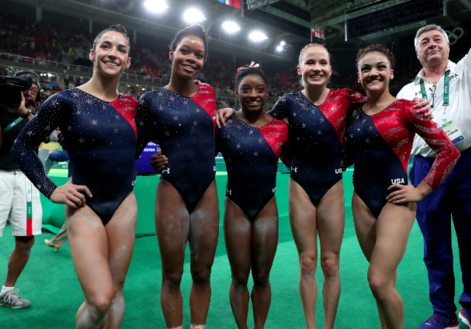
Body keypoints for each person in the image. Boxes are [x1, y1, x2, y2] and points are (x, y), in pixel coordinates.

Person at [217, 43, 431, 328]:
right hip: (300, 187)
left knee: (330, 263)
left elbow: (379, 100)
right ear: (300, 69)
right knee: (307, 263)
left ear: (330, 69)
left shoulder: (347, 98)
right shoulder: (288, 103)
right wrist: (231, 110)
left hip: (332, 185)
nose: (316, 68)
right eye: (310, 63)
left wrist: (417, 104)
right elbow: (261, 120)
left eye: (322, 63)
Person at [12, 24, 138, 329]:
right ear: (93, 54)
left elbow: (141, 145)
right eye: (106, 46)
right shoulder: (65, 101)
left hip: (124, 203)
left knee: (117, 291)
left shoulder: (135, 106)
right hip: (85, 206)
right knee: (99, 299)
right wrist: (51, 189)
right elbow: (23, 146)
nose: (113, 53)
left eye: (121, 49)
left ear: (128, 61)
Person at [152, 62, 288, 329]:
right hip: (235, 205)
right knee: (239, 278)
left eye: (260, 89)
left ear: (268, 92)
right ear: (236, 92)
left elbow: (303, 156)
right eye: (246, 89)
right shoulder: (222, 124)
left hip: (267, 207)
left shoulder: (282, 128)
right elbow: (193, 149)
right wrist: (161, 158)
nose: (253, 95)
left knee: (262, 277)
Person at [343, 44, 459, 329]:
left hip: (397, 200)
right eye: (366, 69)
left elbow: (449, 151)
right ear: (358, 76)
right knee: (386, 281)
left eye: (380, 67)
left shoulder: (408, 109)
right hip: (361, 201)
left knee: (378, 280)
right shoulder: (353, 112)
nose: (373, 73)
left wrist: (421, 190)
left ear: (391, 73)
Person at [396, 3, 471, 327]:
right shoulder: (406, 92)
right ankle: (444, 313)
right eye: (424, 42)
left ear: (448, 45)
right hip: (426, 167)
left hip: (469, 162)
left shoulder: (468, 68)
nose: (432, 44)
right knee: (434, 244)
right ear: (418, 53)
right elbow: (393, 136)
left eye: (437, 39)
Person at [135, 25, 219, 329]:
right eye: (185, 50)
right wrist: (151, 162)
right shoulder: (151, 100)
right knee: (172, 275)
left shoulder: (209, 92)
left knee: (203, 273)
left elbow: (214, 132)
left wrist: (229, 113)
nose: (191, 58)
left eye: (199, 55)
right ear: (171, 53)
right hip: (172, 189)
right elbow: (133, 149)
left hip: (206, 190)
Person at [0, 74, 39, 309]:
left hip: (25, 179)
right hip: (0, 175)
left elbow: (41, 138)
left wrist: (24, 113)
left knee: (26, 241)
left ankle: (6, 291)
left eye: (33, 89)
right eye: (24, 88)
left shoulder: (33, 117)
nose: (28, 92)